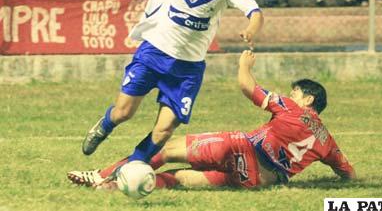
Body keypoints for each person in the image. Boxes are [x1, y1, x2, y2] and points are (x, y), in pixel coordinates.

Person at [77, 0, 264, 172]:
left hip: (188, 68)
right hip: (153, 53)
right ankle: (105, 125)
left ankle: (133, 167)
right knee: (124, 112)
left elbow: (255, 11)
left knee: (164, 130)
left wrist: (251, 29)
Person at [68, 50, 356, 190]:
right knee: (179, 179)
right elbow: (348, 174)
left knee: (164, 150)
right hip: (256, 180)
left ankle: (101, 175)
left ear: (308, 100)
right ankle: (113, 188)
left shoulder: (294, 108)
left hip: (241, 149)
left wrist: (244, 65)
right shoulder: (327, 141)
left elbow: (248, 87)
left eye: (296, 91)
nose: (291, 94)